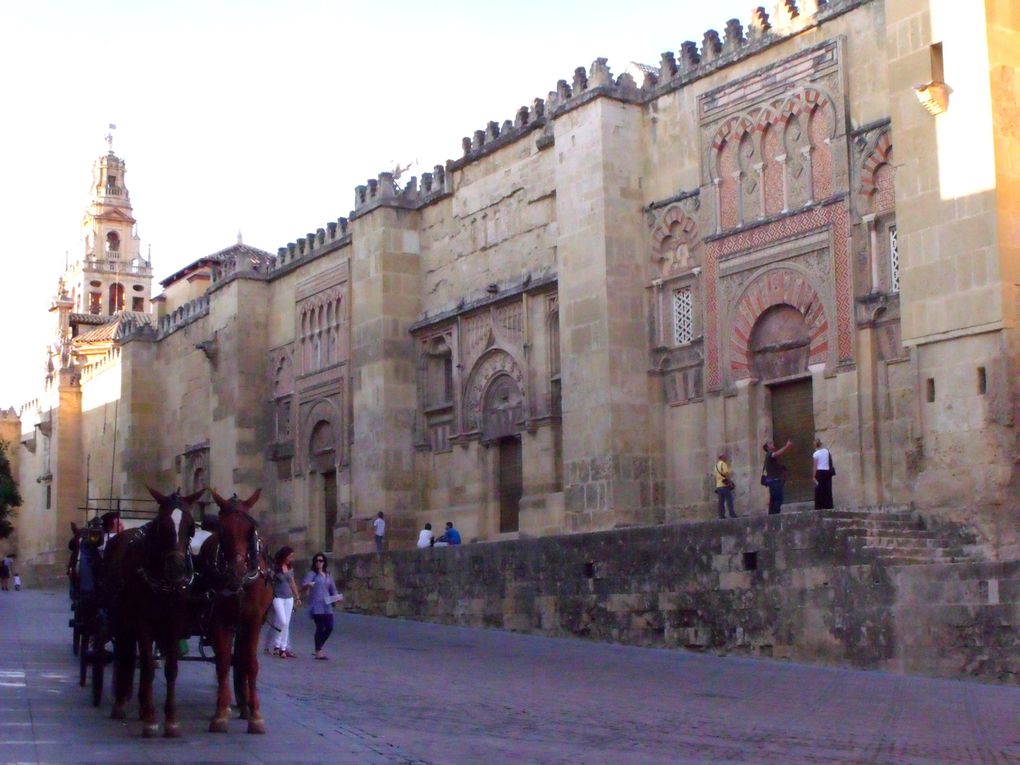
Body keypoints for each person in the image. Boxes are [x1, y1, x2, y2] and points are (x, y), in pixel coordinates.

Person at [301, 552, 340, 660]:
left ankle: (319, 646)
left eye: (321, 560)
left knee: (329, 627)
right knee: (320, 627)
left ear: (324, 562)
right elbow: (303, 586)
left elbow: (333, 589)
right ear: (314, 562)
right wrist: (308, 585)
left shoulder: (328, 575)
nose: (319, 563)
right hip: (316, 605)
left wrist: (337, 597)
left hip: (327, 605)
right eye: (317, 561)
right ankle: (318, 651)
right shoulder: (312, 574)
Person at [265, 547, 301, 658]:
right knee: (283, 621)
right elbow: (269, 581)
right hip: (278, 597)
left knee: (286, 623)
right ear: (284, 556)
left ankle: (281, 648)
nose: (291, 558)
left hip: (289, 598)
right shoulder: (275, 568)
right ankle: (278, 645)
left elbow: (292, 582)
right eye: (290, 556)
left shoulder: (290, 568)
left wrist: (297, 597)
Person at [762, 439, 793, 515]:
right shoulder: (769, 454)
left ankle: (771, 517)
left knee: (773, 500)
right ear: (768, 446)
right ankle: (775, 515)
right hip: (774, 481)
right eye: (770, 443)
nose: (773, 444)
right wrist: (786, 446)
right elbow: (776, 454)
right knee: (779, 498)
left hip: (773, 481)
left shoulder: (769, 456)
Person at [812, 438, 836, 510]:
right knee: (827, 488)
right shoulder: (826, 451)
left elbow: (815, 466)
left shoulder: (815, 454)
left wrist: (813, 476)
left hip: (819, 472)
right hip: (827, 472)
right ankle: (828, 505)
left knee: (819, 489)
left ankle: (819, 506)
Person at [714, 451, 737, 519]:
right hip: (724, 485)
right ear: (722, 457)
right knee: (729, 500)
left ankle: (721, 515)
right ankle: (732, 514)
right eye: (725, 456)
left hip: (719, 486)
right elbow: (726, 474)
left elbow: (716, 476)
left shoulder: (716, 466)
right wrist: (729, 482)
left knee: (721, 502)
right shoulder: (723, 464)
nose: (726, 458)